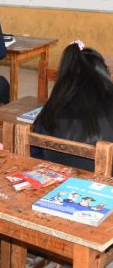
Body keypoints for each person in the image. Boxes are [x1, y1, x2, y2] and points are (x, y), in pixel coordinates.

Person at [32, 41, 113, 171]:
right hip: (100, 181)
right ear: (103, 73)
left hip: (57, 178)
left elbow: (35, 152)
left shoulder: (52, 106)